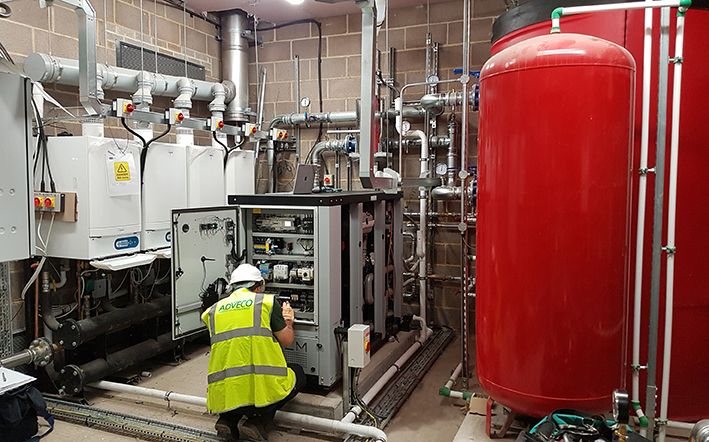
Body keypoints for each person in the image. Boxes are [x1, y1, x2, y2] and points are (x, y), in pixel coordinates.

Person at [201, 263, 306, 441]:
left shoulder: (213, 311)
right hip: (259, 391)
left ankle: (227, 419)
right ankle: (257, 422)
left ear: (232, 286)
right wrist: (288, 321)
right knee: (298, 374)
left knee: (238, 388)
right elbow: (287, 341)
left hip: (226, 392)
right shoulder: (266, 302)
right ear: (257, 288)